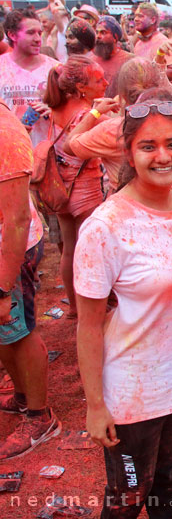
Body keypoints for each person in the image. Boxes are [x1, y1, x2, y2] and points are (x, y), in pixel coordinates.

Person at [75, 88, 172, 517]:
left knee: (167, 485)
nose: (162, 157)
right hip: (133, 394)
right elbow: (89, 325)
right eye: (147, 147)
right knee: (128, 499)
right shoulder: (106, 227)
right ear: (128, 153)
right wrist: (96, 407)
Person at [0, 102, 58, 461]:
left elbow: (17, 220)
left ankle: (40, 416)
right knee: (5, 331)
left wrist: (3, 287)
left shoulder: (4, 135)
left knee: (19, 331)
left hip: (10, 251)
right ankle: (22, 395)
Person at [43, 56, 107, 319]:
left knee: (70, 248)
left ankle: (73, 307)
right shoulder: (87, 113)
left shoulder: (56, 107)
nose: (105, 82)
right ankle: (89, 311)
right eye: (98, 80)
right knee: (88, 251)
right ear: (81, 87)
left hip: (59, 189)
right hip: (85, 189)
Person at [63, 58, 162, 196]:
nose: (106, 83)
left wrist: (96, 112)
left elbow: (69, 146)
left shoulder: (113, 129)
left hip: (125, 203)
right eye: (99, 80)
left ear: (123, 94)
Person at [0, 9, 58, 147]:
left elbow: (72, 115)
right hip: (9, 153)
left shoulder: (55, 69)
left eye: (40, 33)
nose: (38, 39)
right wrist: (11, 128)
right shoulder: (2, 67)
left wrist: (54, 113)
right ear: (12, 35)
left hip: (46, 155)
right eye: (31, 33)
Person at [91, 16, 134, 99]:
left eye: (103, 33)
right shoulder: (91, 60)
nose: (98, 36)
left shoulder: (129, 60)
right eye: (97, 32)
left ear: (115, 37)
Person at [132, 3, 172, 68]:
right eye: (135, 16)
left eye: (140, 16)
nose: (135, 19)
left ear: (153, 20)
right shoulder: (138, 44)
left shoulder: (162, 42)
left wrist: (148, 74)